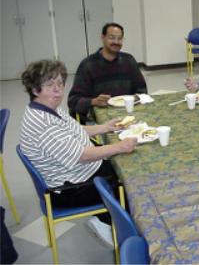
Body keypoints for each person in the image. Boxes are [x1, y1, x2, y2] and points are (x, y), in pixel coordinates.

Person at [20, 59, 137, 248]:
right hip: (71, 188)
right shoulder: (42, 124)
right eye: (50, 85)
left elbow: (75, 130)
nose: (58, 90)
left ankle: (106, 219)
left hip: (79, 173)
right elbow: (82, 155)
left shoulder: (47, 109)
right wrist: (121, 147)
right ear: (35, 90)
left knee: (123, 167)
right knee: (129, 183)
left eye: (60, 83)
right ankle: (118, 231)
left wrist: (105, 128)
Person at [68, 22, 147, 123]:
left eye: (119, 38)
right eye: (112, 38)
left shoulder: (129, 61)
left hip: (128, 115)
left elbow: (142, 90)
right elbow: (73, 101)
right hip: (99, 118)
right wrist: (94, 101)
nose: (116, 42)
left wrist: (134, 98)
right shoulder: (88, 65)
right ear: (103, 37)